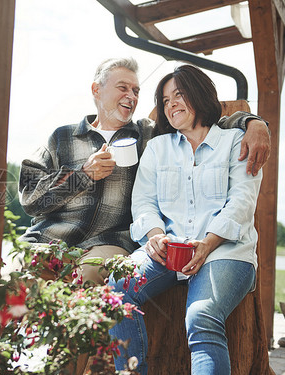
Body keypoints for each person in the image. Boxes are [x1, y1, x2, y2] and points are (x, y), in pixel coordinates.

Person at [18, 57, 270, 285]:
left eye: (136, 90)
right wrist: (82, 175)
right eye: (123, 87)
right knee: (15, 281)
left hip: (109, 243)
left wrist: (253, 123)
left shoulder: (149, 134)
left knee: (87, 282)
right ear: (97, 90)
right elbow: (30, 199)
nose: (132, 96)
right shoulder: (62, 137)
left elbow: (201, 123)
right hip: (52, 238)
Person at [109, 64, 263, 374]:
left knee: (202, 316)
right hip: (169, 251)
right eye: (165, 100)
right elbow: (143, 202)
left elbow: (242, 202)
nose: (171, 105)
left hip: (225, 253)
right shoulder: (157, 148)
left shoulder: (236, 141)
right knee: (117, 290)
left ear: (200, 94)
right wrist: (154, 235)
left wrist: (207, 244)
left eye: (179, 95)